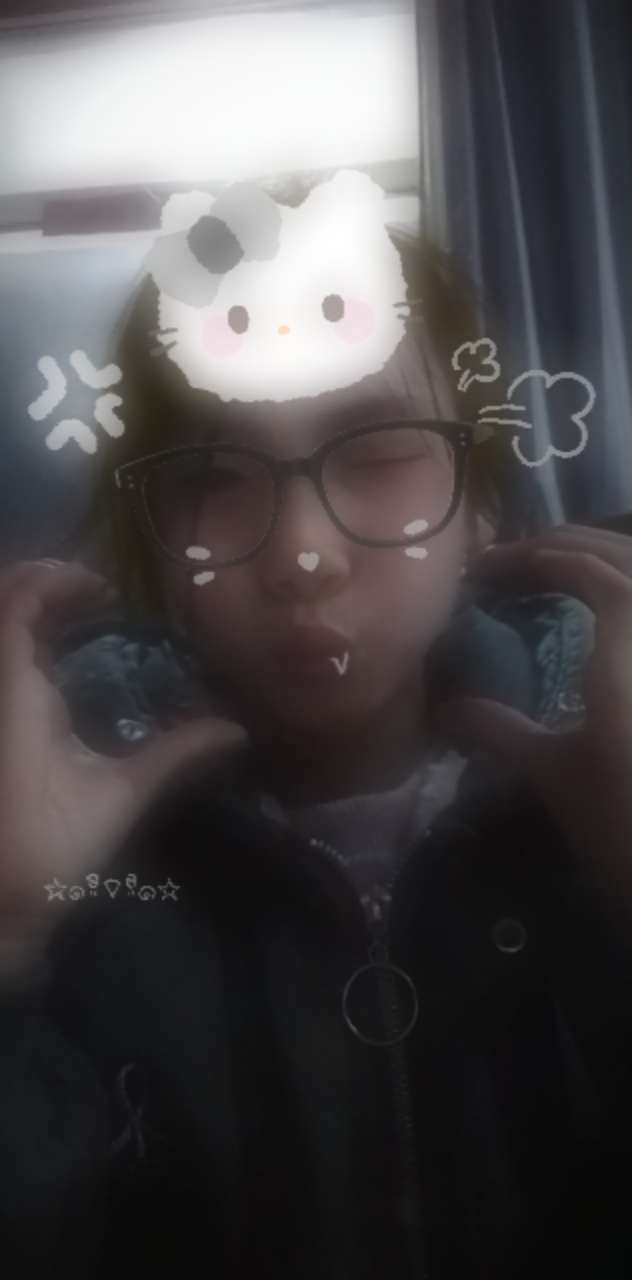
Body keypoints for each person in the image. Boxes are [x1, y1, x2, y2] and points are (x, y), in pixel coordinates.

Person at [1, 172, 632, 1280]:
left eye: (379, 453)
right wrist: (6, 938)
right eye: (212, 476)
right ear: (153, 543)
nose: (303, 554)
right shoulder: (69, 872)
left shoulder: (597, 812)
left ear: (480, 504)